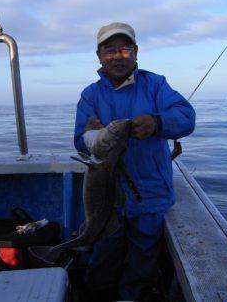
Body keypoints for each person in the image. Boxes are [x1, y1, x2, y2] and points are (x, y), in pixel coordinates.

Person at [74, 22, 196, 301]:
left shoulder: (156, 85)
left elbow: (187, 118)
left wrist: (158, 122)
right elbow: (80, 143)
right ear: (99, 55)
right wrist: (90, 134)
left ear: (136, 52)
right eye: (110, 50)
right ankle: (98, 293)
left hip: (150, 194)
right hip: (107, 195)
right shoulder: (90, 95)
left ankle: (132, 296)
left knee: (144, 258)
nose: (118, 56)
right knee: (104, 251)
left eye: (124, 49)